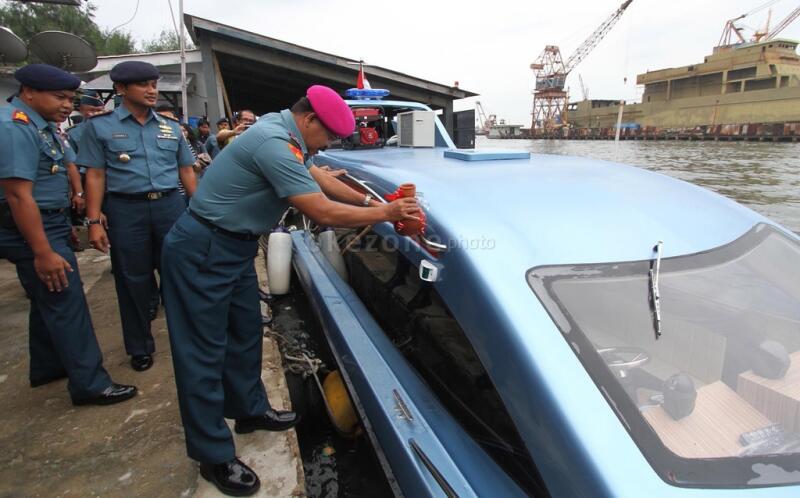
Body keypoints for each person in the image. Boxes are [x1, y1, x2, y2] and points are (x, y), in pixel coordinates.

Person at [161, 85, 419, 496]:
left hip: (236, 246)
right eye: (330, 136)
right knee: (202, 352)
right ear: (310, 120)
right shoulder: (273, 143)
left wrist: (377, 201)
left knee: (245, 331)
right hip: (204, 248)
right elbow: (319, 209)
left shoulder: (286, 134)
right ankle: (213, 454)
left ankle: (248, 409)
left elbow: (318, 178)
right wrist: (385, 213)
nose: (332, 144)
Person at [0, 64, 137, 406]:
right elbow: (18, 195)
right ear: (29, 92)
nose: (66, 105)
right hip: (31, 225)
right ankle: (90, 385)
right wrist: (43, 249)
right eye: (59, 97)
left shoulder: (39, 125)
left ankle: (49, 366)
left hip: (49, 220)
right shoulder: (14, 126)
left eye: (70, 98)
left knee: (45, 297)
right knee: (66, 299)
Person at [78, 61, 197, 373]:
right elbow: (95, 175)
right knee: (133, 282)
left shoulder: (171, 128)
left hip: (170, 207)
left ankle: (189, 340)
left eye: (154, 84)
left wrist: (199, 213)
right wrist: (93, 221)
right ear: (121, 89)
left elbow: (186, 171)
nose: (151, 90)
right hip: (126, 210)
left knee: (179, 276)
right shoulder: (99, 127)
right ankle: (140, 347)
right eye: (143, 84)